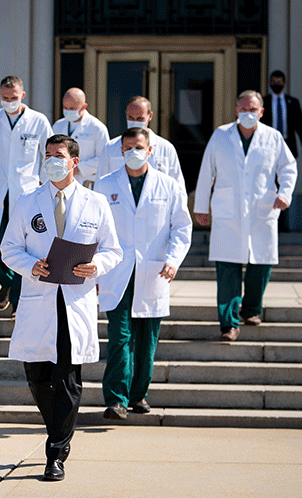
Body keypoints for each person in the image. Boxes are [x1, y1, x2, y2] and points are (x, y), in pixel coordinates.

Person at [0, 134, 122, 481]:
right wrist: (30, 266)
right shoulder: (27, 202)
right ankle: (59, 432)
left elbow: (115, 250)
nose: (52, 160)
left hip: (74, 301)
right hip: (39, 299)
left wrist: (97, 266)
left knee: (67, 380)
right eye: (48, 155)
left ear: (74, 162)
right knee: (37, 377)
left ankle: (56, 452)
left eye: (59, 155)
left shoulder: (95, 203)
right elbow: (9, 248)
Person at [94, 127, 193, 420]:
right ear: (120, 151)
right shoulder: (104, 185)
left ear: (150, 150)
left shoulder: (168, 185)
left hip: (153, 270)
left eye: (138, 147)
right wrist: (97, 271)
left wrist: (174, 260)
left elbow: (182, 227)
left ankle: (139, 394)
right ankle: (116, 398)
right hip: (117, 271)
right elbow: (94, 230)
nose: (133, 153)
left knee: (147, 338)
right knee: (120, 336)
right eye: (127, 148)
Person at [194, 91, 297, 341]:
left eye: (252, 110)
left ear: (261, 112)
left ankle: (251, 309)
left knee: (260, 265)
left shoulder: (273, 137)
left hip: (262, 211)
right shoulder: (221, 135)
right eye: (243, 109)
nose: (247, 114)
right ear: (236, 111)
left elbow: (288, 168)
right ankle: (228, 324)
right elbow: (207, 170)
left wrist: (285, 194)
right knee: (227, 269)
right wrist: (200, 206)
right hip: (228, 213)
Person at [0, 76, 54, 314]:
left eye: (13, 98)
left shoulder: (38, 121)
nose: (9, 102)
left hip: (26, 191)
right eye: (5, 98)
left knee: (21, 247)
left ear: (23, 96)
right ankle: (7, 282)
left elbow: (49, 154)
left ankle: (17, 300)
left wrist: (44, 183)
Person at [97, 96, 186, 196]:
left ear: (150, 116)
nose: (134, 122)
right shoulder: (110, 148)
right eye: (131, 118)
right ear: (126, 114)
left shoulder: (166, 148)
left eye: (140, 119)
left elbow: (178, 187)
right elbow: (100, 185)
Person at [51, 87, 110, 188]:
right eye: (65, 108)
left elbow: (104, 158)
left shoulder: (97, 128)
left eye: (72, 108)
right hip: (60, 181)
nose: (68, 111)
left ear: (84, 106)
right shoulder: (58, 126)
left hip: (86, 182)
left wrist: (79, 168)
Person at [260, 71, 302, 162]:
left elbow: (300, 125)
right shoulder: (264, 102)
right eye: (274, 82)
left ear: (284, 83)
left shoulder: (293, 102)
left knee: (288, 174)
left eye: (279, 82)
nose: (276, 84)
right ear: (270, 83)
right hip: (269, 144)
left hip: (288, 144)